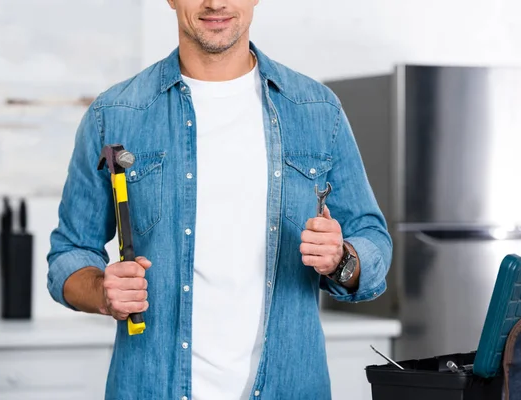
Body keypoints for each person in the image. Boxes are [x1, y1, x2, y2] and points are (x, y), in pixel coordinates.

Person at [47, 0, 392, 399]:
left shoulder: (317, 111)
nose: (216, 3)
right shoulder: (115, 114)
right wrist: (103, 292)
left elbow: (372, 239)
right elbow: (69, 254)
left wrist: (341, 258)